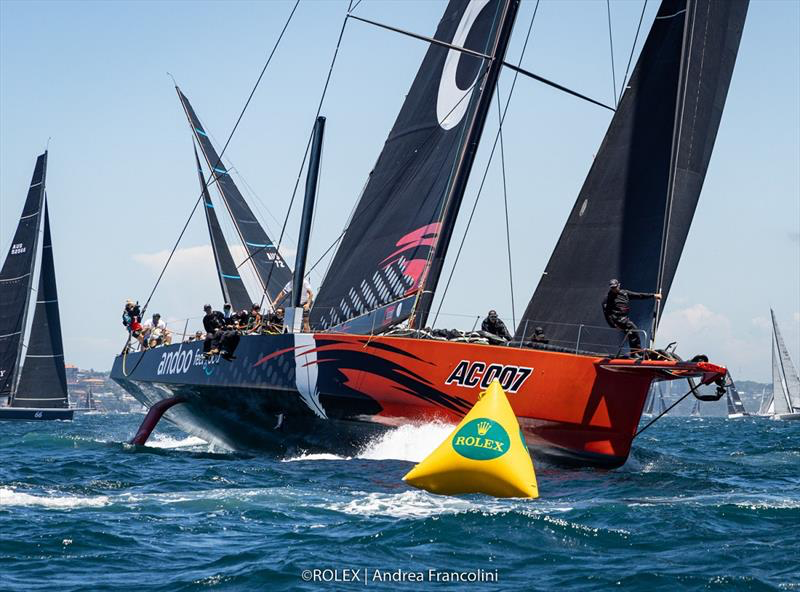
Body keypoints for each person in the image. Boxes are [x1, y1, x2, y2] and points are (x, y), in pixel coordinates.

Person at [602, 278, 661, 355]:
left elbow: (639, 295)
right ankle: (638, 352)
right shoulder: (608, 298)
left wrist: (653, 296)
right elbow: (607, 314)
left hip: (625, 318)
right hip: (618, 319)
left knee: (631, 334)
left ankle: (633, 353)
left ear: (618, 285)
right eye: (612, 288)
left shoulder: (625, 293)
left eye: (615, 287)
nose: (614, 289)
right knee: (633, 329)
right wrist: (613, 325)